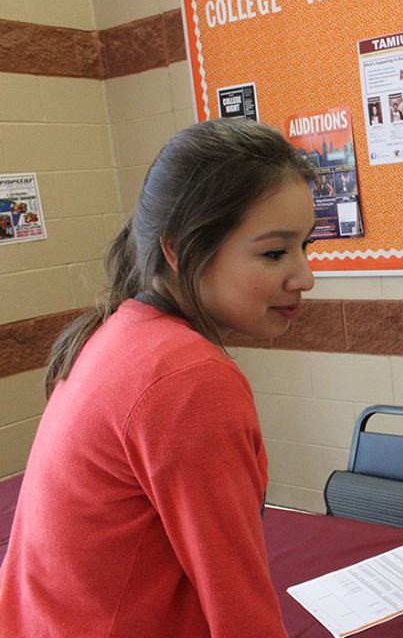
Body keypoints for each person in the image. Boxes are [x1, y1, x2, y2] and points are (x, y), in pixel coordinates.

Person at [0, 119, 317, 636]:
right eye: (275, 252)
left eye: (307, 246)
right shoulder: (187, 377)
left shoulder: (119, 332)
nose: (305, 276)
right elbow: (239, 607)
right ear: (178, 249)